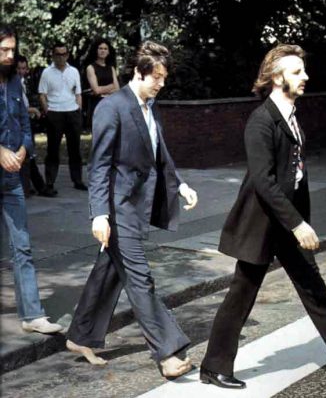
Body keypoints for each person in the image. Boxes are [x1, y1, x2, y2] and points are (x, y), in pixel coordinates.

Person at [200, 44, 326, 390]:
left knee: (314, 289)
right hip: (262, 224)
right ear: (276, 78)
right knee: (241, 294)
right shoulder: (261, 121)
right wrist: (298, 223)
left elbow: (295, 174)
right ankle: (214, 367)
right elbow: (264, 181)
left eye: (303, 70)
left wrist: (298, 219)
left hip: (286, 223)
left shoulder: (290, 114)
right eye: (296, 72)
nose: (305, 77)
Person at [65, 40, 198, 379]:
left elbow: (159, 151)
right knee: (140, 279)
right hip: (117, 206)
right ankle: (168, 351)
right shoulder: (112, 107)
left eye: (164, 77)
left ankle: (80, 335)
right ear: (139, 73)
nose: (161, 83)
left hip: (138, 206)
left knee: (110, 270)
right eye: (157, 77)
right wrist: (99, 214)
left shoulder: (149, 105)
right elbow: (99, 165)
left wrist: (179, 184)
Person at [0, 24, 63, 334]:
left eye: (13, 50)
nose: (11, 56)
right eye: (4, 50)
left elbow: (25, 123)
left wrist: (24, 149)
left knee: (22, 245)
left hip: (11, 178)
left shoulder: (15, 83)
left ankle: (32, 315)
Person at [38, 42, 87, 194]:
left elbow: (78, 93)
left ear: (67, 55)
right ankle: (50, 182)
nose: (61, 57)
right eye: (57, 54)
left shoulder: (74, 71)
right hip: (55, 113)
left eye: (63, 54)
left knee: (75, 149)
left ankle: (78, 180)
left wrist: (78, 108)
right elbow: (42, 94)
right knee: (53, 150)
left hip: (72, 112)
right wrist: (48, 111)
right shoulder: (47, 72)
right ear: (53, 55)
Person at [16, 55, 54, 197]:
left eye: (24, 68)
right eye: (18, 68)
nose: (21, 71)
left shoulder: (23, 83)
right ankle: (35, 187)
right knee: (26, 156)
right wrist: (33, 110)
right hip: (18, 124)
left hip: (25, 123)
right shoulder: (13, 84)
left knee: (29, 156)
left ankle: (36, 186)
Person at [83, 38, 120, 129]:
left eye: (105, 49)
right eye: (100, 48)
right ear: (96, 50)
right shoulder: (91, 68)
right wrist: (111, 86)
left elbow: (118, 89)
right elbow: (96, 90)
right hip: (98, 105)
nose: (103, 51)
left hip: (112, 104)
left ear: (109, 52)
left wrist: (103, 90)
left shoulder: (111, 68)